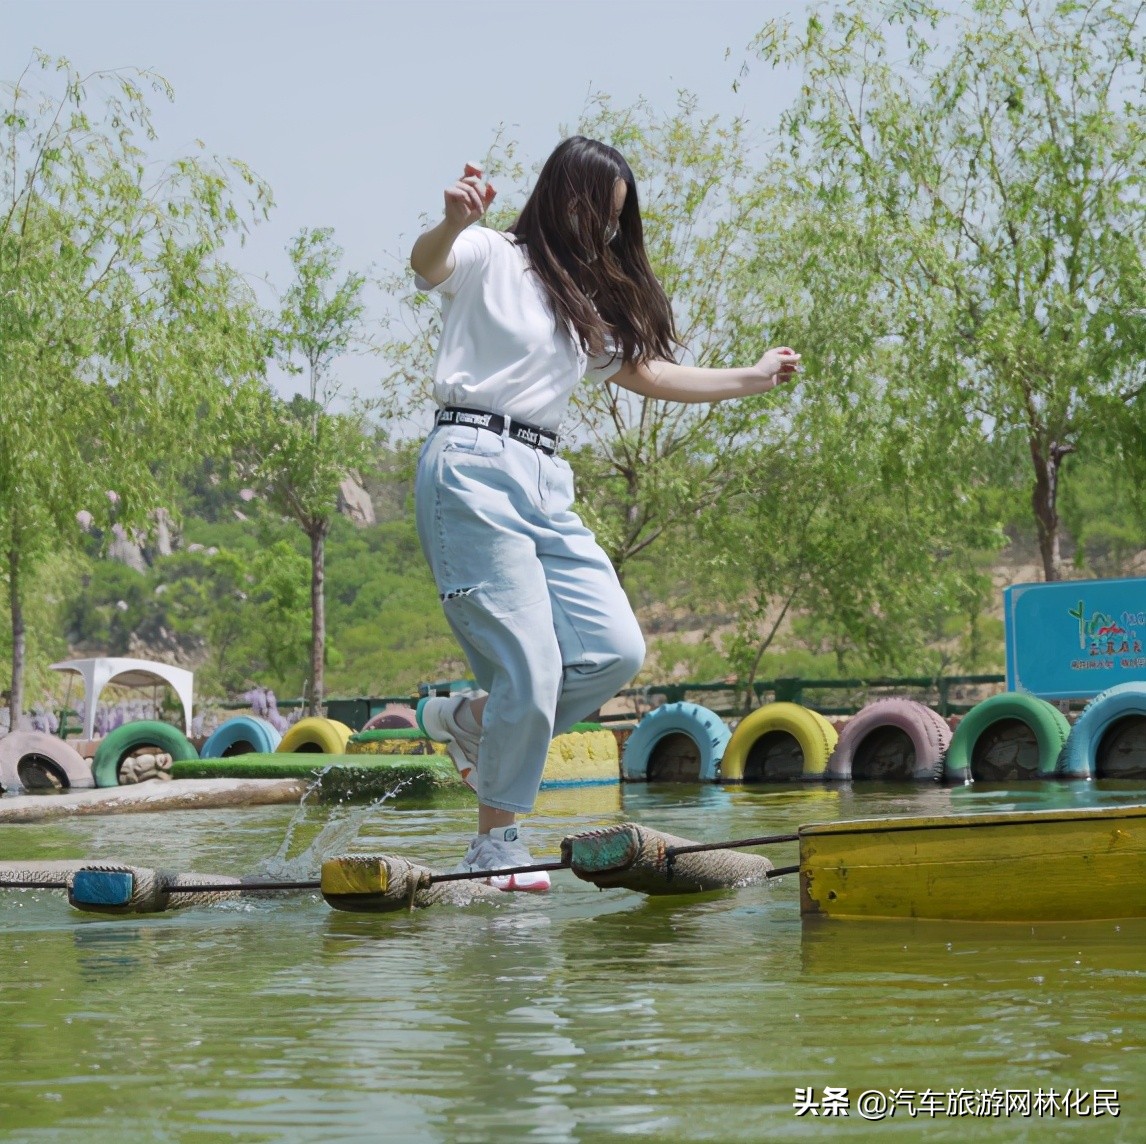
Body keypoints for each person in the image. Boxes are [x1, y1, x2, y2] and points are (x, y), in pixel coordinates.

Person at [410, 137, 799, 891]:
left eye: (618, 222)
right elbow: (428, 264)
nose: (607, 233)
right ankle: (495, 845)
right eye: (600, 213)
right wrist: (453, 221)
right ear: (565, 197)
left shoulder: (578, 300)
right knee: (531, 661)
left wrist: (749, 380)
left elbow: (647, 373)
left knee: (613, 651)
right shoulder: (489, 254)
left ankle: (471, 723)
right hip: (471, 464)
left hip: (545, 477)